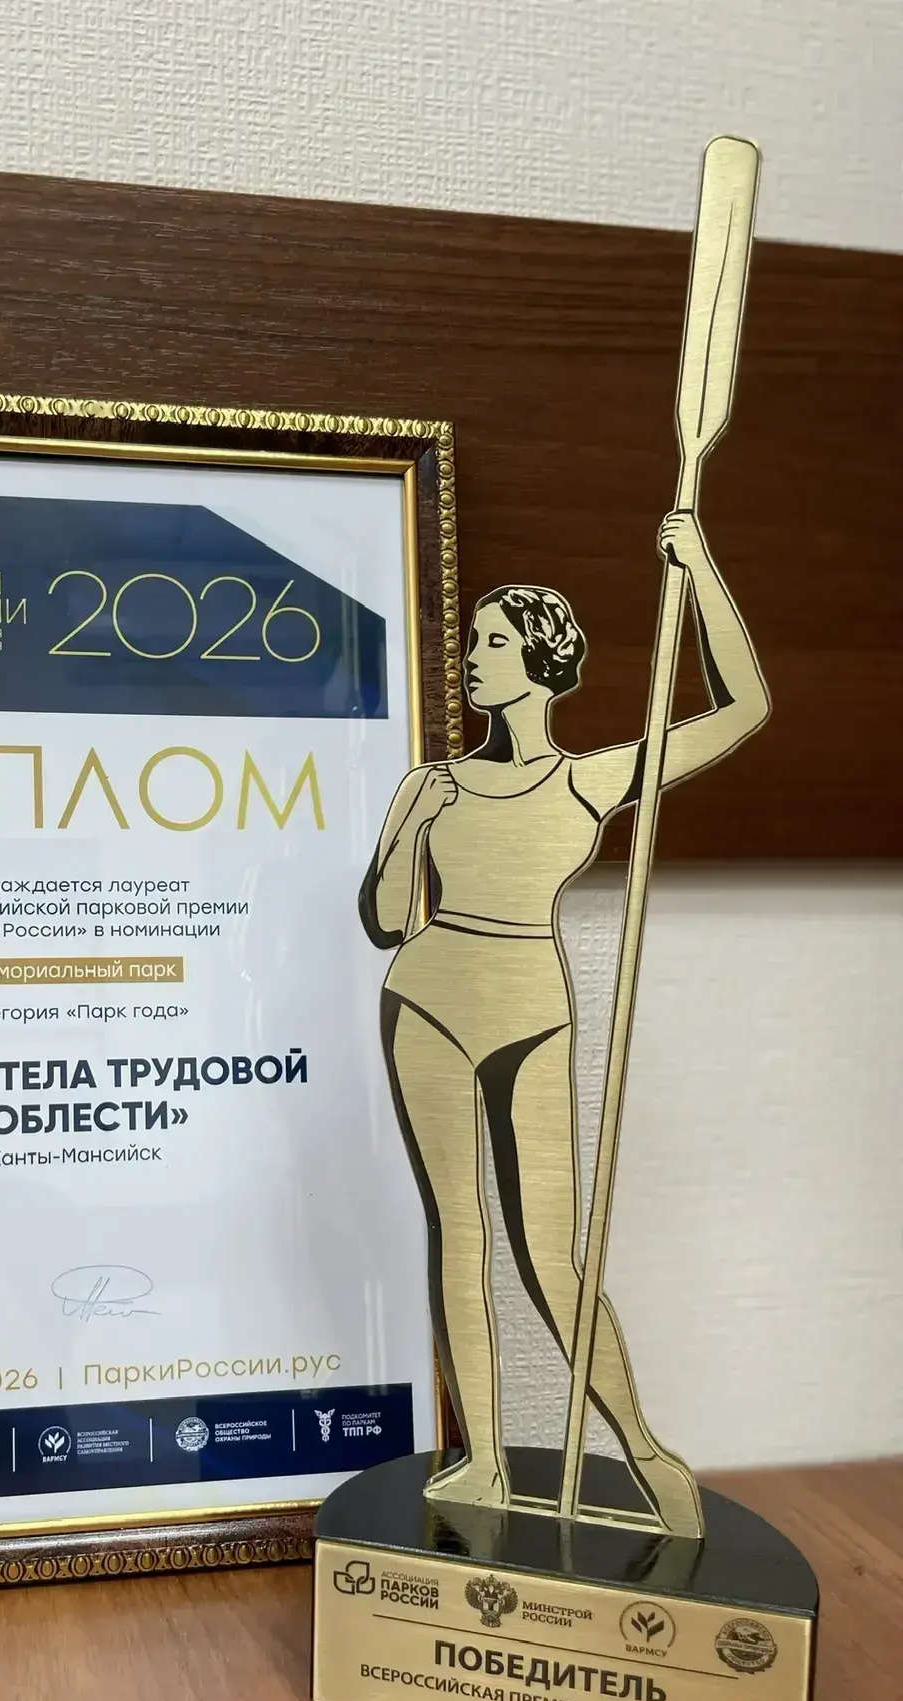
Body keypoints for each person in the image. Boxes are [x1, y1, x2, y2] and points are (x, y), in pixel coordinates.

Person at [361, 509, 768, 1536]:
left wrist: (699, 566)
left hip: (532, 1010)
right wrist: (410, 825)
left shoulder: (589, 780)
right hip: (428, 996)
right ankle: (486, 1464)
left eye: (494, 642)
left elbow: (744, 707)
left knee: (551, 1254)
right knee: (458, 1232)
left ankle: (645, 1453)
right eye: (471, 641)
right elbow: (386, 919)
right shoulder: (433, 783)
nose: (472, 658)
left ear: (541, 662)